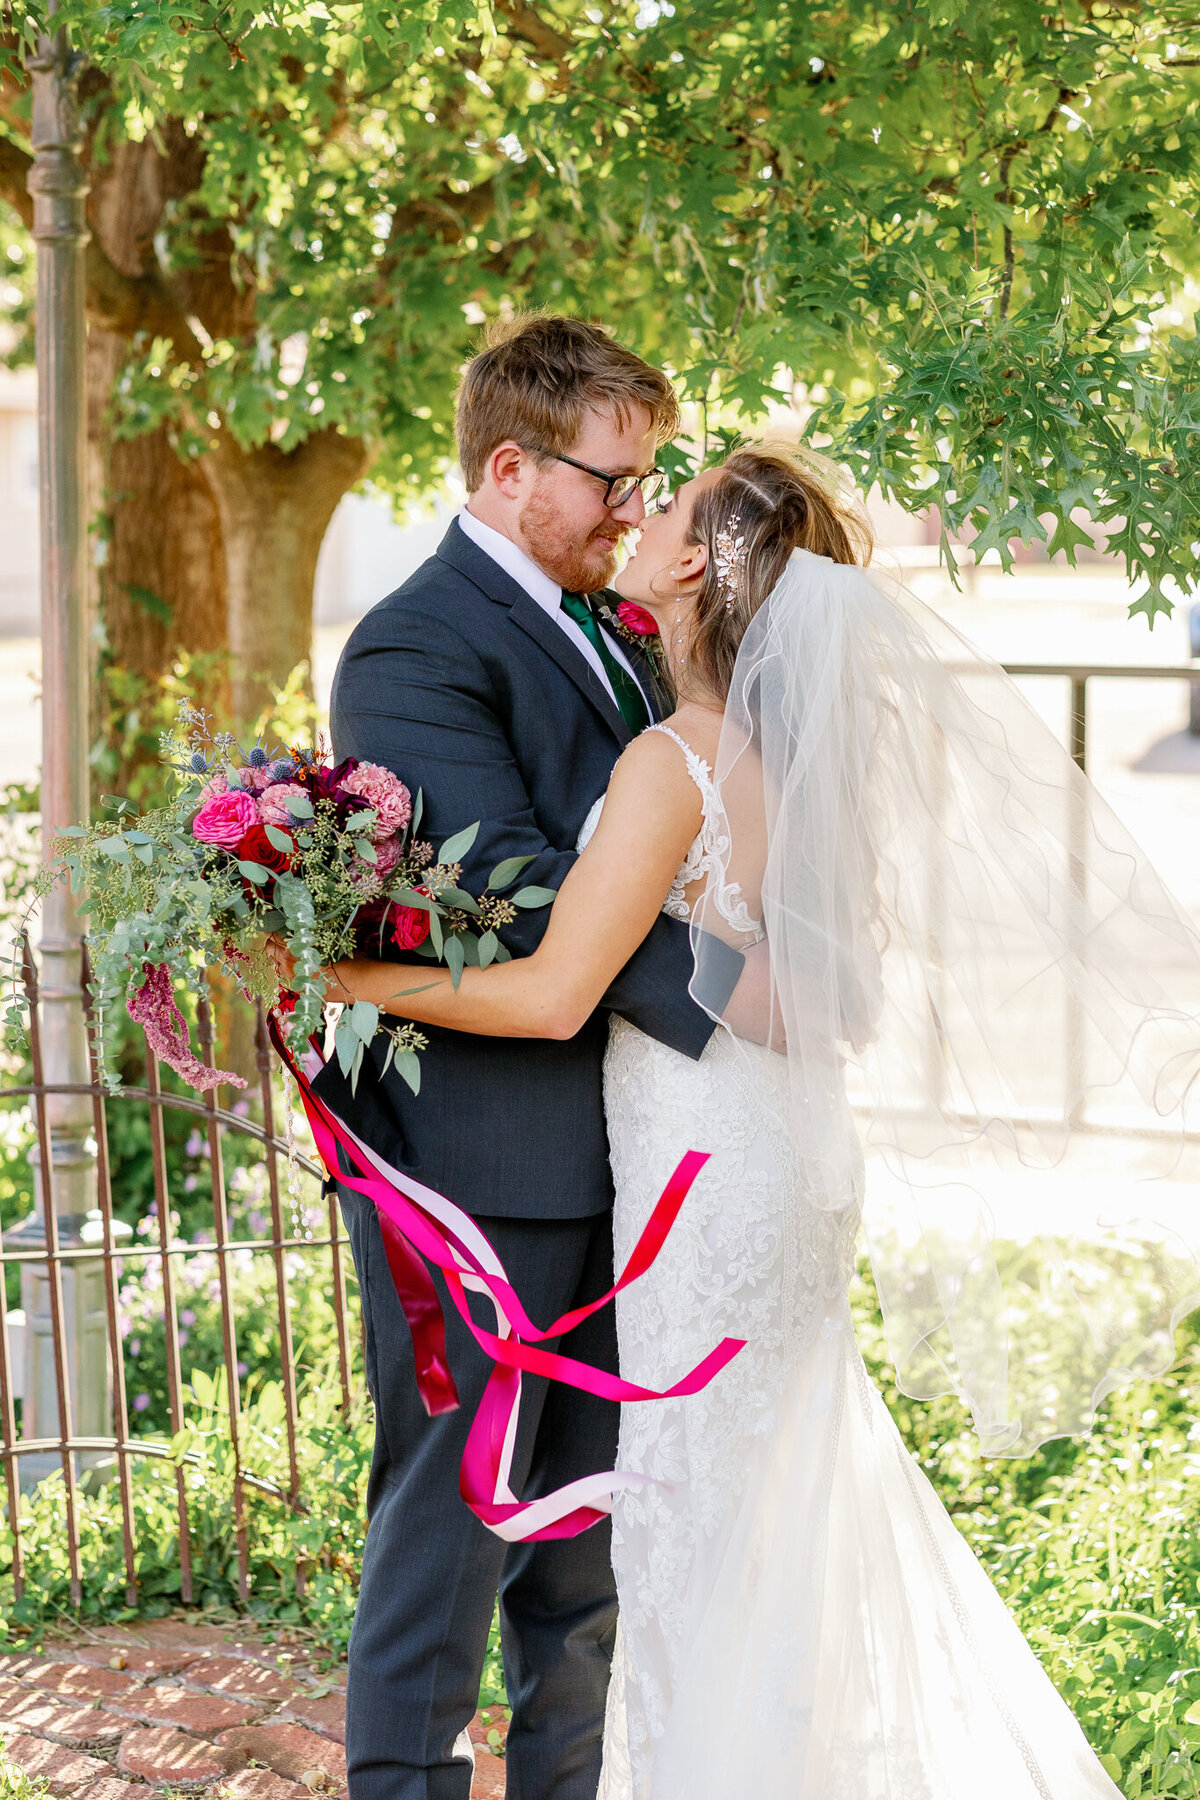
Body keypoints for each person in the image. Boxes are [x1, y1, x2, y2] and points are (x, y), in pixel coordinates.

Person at [307, 441, 1200, 1796]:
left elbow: (555, 996)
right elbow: (830, 1004)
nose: (640, 509)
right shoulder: (801, 761)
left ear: (691, 567)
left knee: (696, 1531)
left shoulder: (672, 761)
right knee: (765, 1511)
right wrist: (708, 961)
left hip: (700, 1175)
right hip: (783, 1158)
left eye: (662, 501)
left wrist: (343, 976)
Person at [310, 314, 744, 1800]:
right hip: (479, 1171)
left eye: (645, 483)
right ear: (509, 469)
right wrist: (749, 997)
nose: (634, 510)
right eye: (612, 481)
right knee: (447, 1540)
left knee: (583, 1568)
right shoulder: (415, 646)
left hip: (623, 1158)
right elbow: (517, 899)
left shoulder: (612, 628)